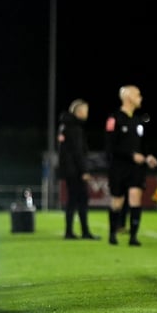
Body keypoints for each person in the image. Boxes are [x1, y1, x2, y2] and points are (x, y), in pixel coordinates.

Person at [105, 85, 157, 246]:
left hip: (136, 168)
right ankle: (113, 233)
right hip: (119, 167)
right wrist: (130, 155)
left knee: (136, 198)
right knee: (117, 202)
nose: (140, 98)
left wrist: (148, 156)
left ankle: (133, 237)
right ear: (128, 97)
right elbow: (110, 147)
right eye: (138, 95)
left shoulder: (138, 120)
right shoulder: (114, 118)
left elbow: (142, 145)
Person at [57, 99, 99, 240]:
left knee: (73, 201)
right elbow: (78, 152)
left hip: (70, 171)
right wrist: (84, 171)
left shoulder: (65, 126)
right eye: (86, 111)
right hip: (75, 171)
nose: (87, 113)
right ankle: (83, 232)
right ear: (79, 111)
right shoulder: (74, 128)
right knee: (80, 200)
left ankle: (71, 231)